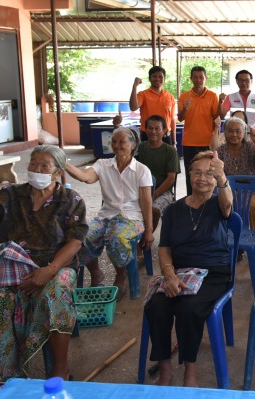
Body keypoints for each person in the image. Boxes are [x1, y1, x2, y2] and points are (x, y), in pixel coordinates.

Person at [0, 146, 88, 380]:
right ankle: (10, 375)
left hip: (54, 266)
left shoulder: (70, 200)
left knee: (54, 295)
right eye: (33, 163)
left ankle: (60, 369)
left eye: (44, 165)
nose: (37, 168)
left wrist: (50, 270)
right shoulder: (12, 195)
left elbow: (75, 242)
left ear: (57, 172)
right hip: (10, 270)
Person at [144, 151, 233, 387]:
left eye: (209, 174)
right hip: (180, 272)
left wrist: (223, 176)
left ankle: (189, 370)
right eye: (197, 172)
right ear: (189, 175)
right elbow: (164, 249)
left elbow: (228, 204)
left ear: (216, 180)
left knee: (189, 308)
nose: (202, 178)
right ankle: (165, 369)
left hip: (214, 273)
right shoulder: (173, 210)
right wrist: (170, 276)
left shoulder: (218, 204)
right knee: (157, 306)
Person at [65, 128, 154, 298]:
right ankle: (96, 273)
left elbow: (146, 202)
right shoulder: (102, 164)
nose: (117, 145)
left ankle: (121, 275)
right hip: (106, 215)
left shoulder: (142, 170)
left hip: (131, 218)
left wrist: (149, 231)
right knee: (82, 238)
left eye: (122, 142)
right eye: (114, 141)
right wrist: (64, 163)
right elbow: (85, 177)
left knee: (116, 238)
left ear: (133, 144)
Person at [216, 116, 255, 228]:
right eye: (230, 131)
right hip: (228, 191)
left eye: (238, 131)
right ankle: (225, 235)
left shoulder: (250, 147)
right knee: (219, 205)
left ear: (244, 133)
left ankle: (247, 233)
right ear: (225, 133)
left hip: (252, 191)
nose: (234, 134)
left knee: (249, 207)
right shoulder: (221, 151)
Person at [178, 66, 220, 194]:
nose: (198, 80)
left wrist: (222, 103)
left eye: (201, 77)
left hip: (208, 142)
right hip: (189, 143)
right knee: (192, 175)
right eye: (195, 77)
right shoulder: (184, 96)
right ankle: (191, 201)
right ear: (191, 79)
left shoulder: (213, 96)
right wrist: (185, 108)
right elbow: (180, 118)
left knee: (209, 174)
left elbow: (216, 117)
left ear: (205, 78)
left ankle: (209, 201)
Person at [135, 115, 180, 231]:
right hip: (140, 190)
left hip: (163, 192)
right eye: (150, 128)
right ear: (145, 129)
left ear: (164, 131)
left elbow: (171, 179)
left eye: (157, 128)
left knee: (153, 210)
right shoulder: (140, 148)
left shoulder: (170, 151)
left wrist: (153, 195)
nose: (153, 131)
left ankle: (146, 239)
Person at [129, 66, 177, 145]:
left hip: (166, 137)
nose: (157, 79)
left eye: (160, 76)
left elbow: (172, 120)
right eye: (154, 76)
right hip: (148, 136)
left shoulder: (170, 97)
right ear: (150, 78)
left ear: (164, 79)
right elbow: (133, 107)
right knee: (147, 157)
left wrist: (174, 142)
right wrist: (134, 86)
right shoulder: (143, 94)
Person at [218, 70, 255, 142]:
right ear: (237, 82)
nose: (243, 83)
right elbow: (221, 115)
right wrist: (220, 102)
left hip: (253, 137)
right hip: (235, 137)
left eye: (246, 80)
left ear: (251, 81)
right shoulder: (230, 97)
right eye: (240, 80)